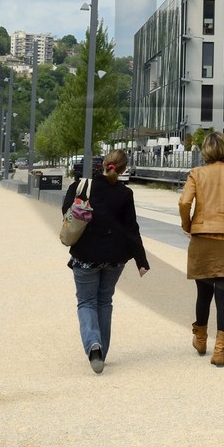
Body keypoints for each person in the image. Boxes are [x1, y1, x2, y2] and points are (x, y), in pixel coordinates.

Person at [62, 149, 149, 374]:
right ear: (122, 169)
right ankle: (102, 351)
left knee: (86, 302)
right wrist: (141, 260)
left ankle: (93, 346)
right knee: (104, 301)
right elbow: (132, 229)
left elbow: (66, 213)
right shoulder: (124, 193)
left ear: (103, 165)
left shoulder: (81, 187)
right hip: (114, 258)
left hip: (85, 256)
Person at [179, 132, 224, 367]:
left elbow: (184, 202)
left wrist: (188, 225)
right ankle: (220, 350)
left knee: (203, 293)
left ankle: (200, 338)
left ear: (204, 150)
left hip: (203, 238)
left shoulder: (196, 174)